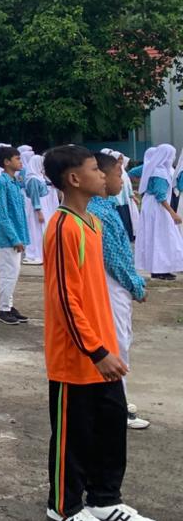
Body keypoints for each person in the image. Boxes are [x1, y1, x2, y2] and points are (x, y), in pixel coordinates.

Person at [41, 145, 159, 521]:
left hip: (103, 350)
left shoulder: (92, 222)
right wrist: (95, 351)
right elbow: (65, 299)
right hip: (76, 357)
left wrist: (108, 347)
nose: (104, 175)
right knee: (74, 436)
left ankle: (105, 499)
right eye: (95, 169)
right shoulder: (63, 226)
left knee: (110, 428)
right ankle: (64, 505)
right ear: (74, 178)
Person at [91, 152, 150, 431]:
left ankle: (118, 400)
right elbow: (114, 258)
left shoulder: (105, 207)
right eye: (118, 174)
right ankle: (117, 407)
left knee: (119, 342)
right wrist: (135, 285)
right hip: (111, 288)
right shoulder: (100, 212)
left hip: (114, 287)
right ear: (102, 176)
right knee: (117, 345)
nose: (122, 180)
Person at [0, 146, 30, 326]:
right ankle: (3, 309)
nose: (20, 162)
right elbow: (2, 214)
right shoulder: (2, 183)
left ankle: (8, 304)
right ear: (7, 162)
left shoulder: (14, 181)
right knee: (8, 273)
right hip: (7, 237)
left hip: (16, 234)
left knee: (13, 273)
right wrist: (14, 238)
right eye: (17, 158)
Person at [133, 144, 183, 281]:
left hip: (152, 206)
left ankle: (160, 269)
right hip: (157, 208)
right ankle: (159, 269)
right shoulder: (159, 173)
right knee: (161, 238)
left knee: (157, 238)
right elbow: (160, 196)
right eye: (172, 155)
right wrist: (173, 213)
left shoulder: (155, 169)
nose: (173, 158)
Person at [22, 154, 58, 266]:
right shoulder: (33, 179)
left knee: (42, 230)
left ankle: (43, 253)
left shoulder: (39, 177)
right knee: (36, 231)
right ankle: (35, 255)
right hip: (38, 208)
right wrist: (39, 212)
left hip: (43, 207)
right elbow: (35, 197)